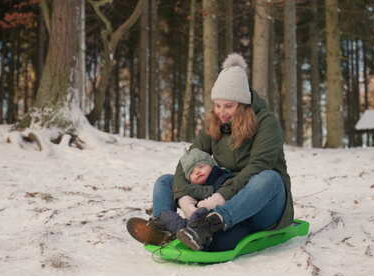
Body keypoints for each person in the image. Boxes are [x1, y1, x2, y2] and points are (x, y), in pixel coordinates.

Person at [128, 53, 294, 252]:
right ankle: (168, 227)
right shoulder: (216, 123)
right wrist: (185, 200)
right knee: (166, 181)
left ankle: (209, 225)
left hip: (263, 203)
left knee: (268, 178)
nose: (222, 112)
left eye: (229, 106)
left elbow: (256, 167)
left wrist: (217, 199)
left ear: (242, 104)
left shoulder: (267, 124)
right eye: (217, 106)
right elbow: (189, 158)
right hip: (226, 190)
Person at [126, 148, 234, 245]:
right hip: (194, 221)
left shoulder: (222, 178)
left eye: (201, 166)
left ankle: (183, 232)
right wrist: (185, 200)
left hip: (215, 222)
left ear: (212, 165)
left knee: (195, 221)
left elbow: (226, 196)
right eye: (192, 172)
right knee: (164, 181)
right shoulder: (193, 185)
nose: (197, 172)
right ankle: (161, 227)